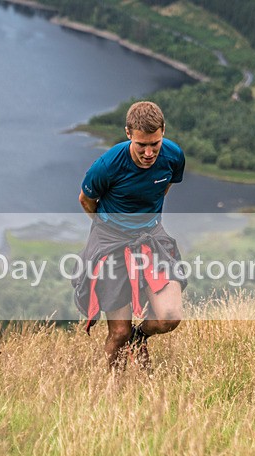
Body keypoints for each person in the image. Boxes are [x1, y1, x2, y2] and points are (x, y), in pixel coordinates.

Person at [75, 101, 187, 371]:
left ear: (163, 132)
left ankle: (141, 337)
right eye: (141, 145)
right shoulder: (107, 165)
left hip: (151, 237)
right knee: (119, 333)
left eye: (155, 144)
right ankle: (114, 386)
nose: (149, 153)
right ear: (128, 134)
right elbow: (86, 200)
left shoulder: (173, 155)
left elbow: (163, 188)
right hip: (111, 241)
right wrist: (110, 229)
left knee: (169, 318)